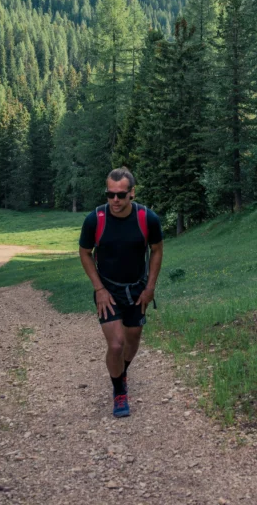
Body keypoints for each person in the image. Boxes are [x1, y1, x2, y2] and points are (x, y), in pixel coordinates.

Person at [79, 167, 164, 418]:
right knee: (116, 345)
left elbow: (157, 250)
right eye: (110, 194)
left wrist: (150, 287)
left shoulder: (147, 218)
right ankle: (119, 391)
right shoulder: (95, 219)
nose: (115, 200)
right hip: (107, 289)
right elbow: (85, 253)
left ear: (132, 193)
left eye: (121, 195)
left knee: (133, 339)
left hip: (138, 289)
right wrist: (99, 289)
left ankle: (121, 373)